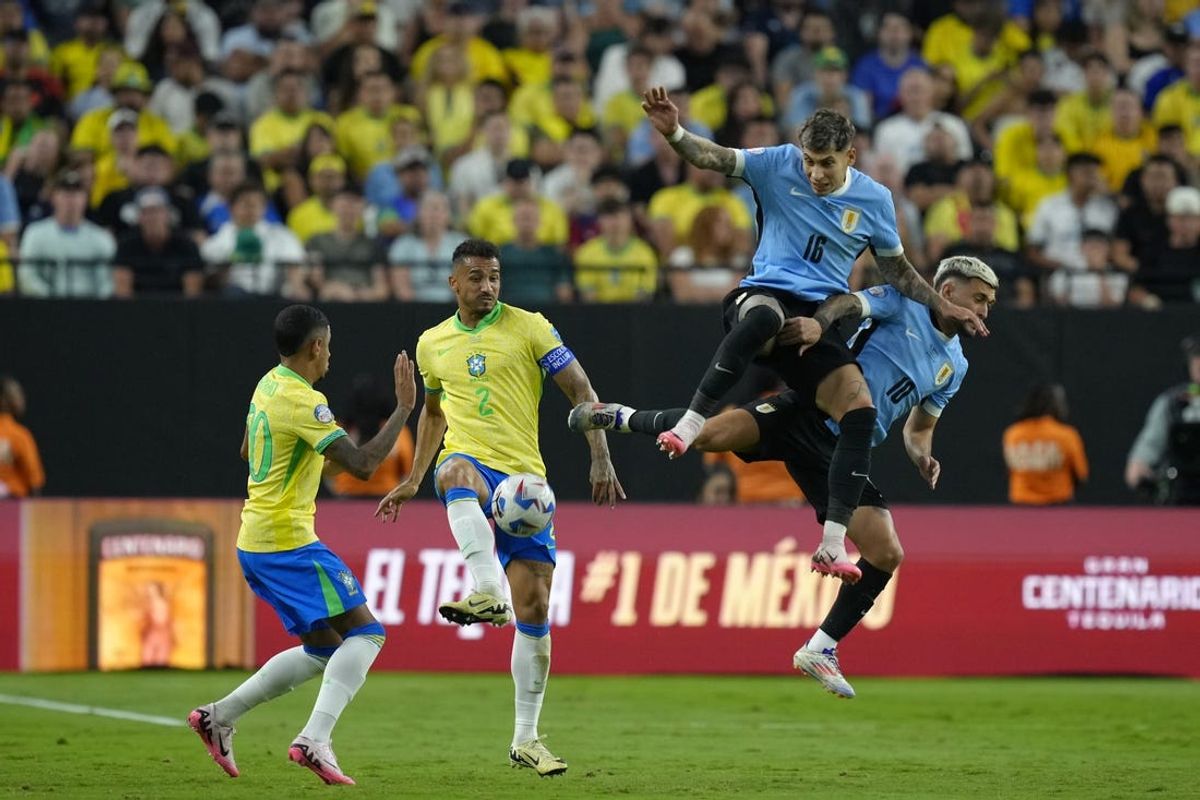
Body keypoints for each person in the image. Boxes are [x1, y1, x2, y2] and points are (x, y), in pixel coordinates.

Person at [569, 255, 998, 698]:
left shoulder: (957, 367)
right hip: (809, 409)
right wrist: (819, 323)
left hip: (840, 453)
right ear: (948, 292)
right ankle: (617, 416)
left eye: (989, 303)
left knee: (887, 552)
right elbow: (847, 303)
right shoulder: (903, 303)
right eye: (979, 299)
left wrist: (922, 456)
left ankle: (820, 648)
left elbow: (919, 428)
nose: (985, 310)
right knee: (710, 433)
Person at [638, 86, 985, 581]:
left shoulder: (874, 200)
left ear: (850, 156)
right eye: (809, 161)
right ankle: (691, 420)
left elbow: (898, 271)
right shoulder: (778, 163)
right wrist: (673, 130)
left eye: (825, 163)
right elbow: (713, 157)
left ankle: (830, 543)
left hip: (818, 315)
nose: (815, 173)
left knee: (860, 411)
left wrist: (941, 301)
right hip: (762, 294)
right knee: (763, 320)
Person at [375, 238, 623, 777]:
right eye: (476, 277)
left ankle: (526, 739)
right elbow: (435, 415)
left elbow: (580, 388)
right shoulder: (431, 343)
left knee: (534, 611)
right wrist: (415, 478)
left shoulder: (532, 326)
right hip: (473, 461)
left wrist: (600, 455)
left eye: (494, 277)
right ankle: (486, 589)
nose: (487, 286)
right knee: (453, 470)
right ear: (453, 283)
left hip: (527, 485)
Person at [188, 304, 417, 786]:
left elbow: (250, 453)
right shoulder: (304, 400)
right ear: (315, 347)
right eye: (328, 345)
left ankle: (218, 716)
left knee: (322, 648)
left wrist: (311, 462)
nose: (330, 355)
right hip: (287, 542)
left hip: (256, 539)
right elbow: (362, 465)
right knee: (369, 634)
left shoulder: (267, 385)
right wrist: (403, 409)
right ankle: (314, 739)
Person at [1125, 334, 1200, 505]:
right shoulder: (1173, 402)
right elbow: (1151, 441)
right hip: (1183, 488)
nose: (1198, 363)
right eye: (1195, 357)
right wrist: (1138, 463)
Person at [17, 170, 116, 298]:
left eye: (76, 194)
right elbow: (27, 276)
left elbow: (108, 280)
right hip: (46, 309)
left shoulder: (101, 237)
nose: (71, 200)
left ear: (86, 198)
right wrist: (51, 301)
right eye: (65, 194)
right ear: (54, 198)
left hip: (91, 309)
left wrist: (94, 304)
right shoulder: (35, 233)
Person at [1003, 384, 1089, 505]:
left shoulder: (1013, 434)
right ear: (1055, 406)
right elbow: (1081, 474)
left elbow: (1009, 471)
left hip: (1021, 506)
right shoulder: (1066, 435)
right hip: (1058, 505)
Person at [113, 187, 205, 298]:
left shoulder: (187, 245)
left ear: (167, 214)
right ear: (139, 217)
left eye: (157, 211)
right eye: (146, 212)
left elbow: (192, 293)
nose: (152, 217)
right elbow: (123, 292)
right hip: (137, 309)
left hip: (178, 309)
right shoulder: (126, 245)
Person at [0, 375, 44, 498]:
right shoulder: (18, 435)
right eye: (16, 394)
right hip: (11, 507)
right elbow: (34, 482)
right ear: (3, 400)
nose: (21, 399)